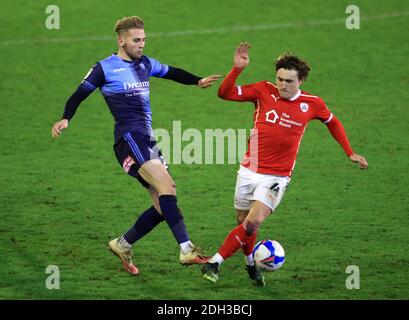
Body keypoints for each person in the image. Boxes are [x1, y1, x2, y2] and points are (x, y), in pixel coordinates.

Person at [51, 16, 222, 276]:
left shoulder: (145, 64)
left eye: (143, 39)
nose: (141, 44)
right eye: (136, 40)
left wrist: (197, 81)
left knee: (162, 204)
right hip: (129, 138)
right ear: (121, 40)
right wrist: (66, 117)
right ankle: (186, 249)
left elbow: (172, 72)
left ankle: (122, 244)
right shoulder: (104, 68)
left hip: (146, 139)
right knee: (167, 187)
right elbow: (79, 94)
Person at [201, 42, 368, 286]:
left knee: (254, 221)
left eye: (289, 81)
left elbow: (333, 122)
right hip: (249, 170)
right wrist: (237, 69)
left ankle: (214, 262)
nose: (282, 85)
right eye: (280, 79)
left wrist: (349, 152)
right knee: (243, 225)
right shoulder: (262, 91)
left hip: (277, 176)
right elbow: (224, 93)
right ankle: (251, 266)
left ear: (301, 81)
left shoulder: (312, 104)